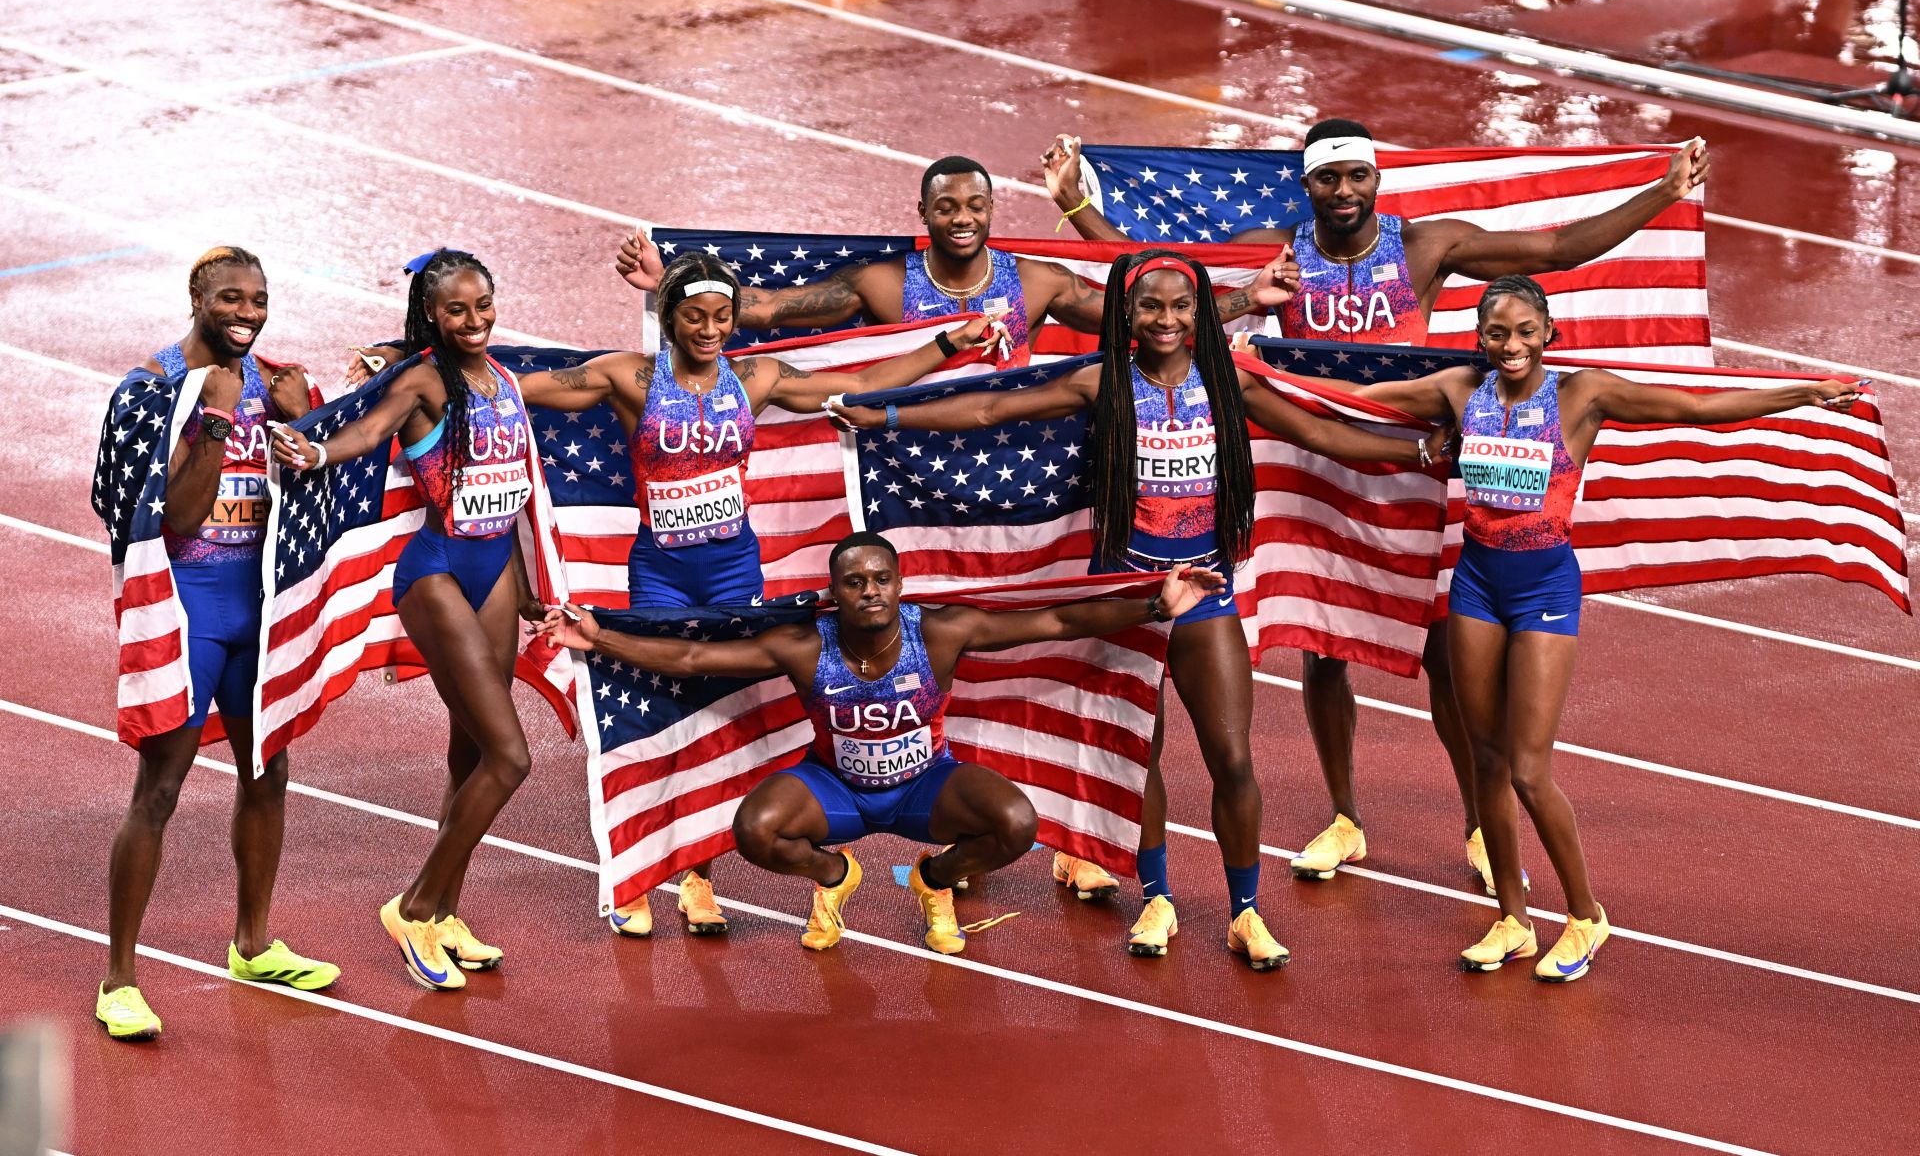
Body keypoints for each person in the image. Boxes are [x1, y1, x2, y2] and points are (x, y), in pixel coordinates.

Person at [1043, 120, 1711, 896]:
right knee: (1324, 647)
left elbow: (1553, 251)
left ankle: (1478, 824)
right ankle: (1346, 816)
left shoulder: (1425, 247)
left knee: (1440, 658)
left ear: (1376, 179)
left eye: (1358, 175)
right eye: (1330, 179)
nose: (1345, 191)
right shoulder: (1281, 248)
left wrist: (1660, 193)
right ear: (1308, 186)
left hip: (1411, 470)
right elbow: (1161, 283)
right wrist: (1077, 204)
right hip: (1316, 467)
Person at [827, 252, 1448, 968]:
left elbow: (1324, 435)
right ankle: (1156, 896)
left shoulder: (1229, 380)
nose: (1165, 319)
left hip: (1205, 594)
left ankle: (1246, 911)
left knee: (1232, 758)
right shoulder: (1104, 382)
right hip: (1127, 594)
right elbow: (992, 408)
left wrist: (1421, 454)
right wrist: (889, 414)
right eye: (1150, 306)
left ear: (1199, 312)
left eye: (1181, 306)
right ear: (1127, 311)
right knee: (1137, 750)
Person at [1311, 274, 1860, 980]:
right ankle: (1512, 917)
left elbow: (1697, 406)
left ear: (1550, 333)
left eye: (1524, 332)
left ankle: (1584, 915)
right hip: (1476, 581)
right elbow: (1339, 398)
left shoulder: (1582, 395)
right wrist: (1245, 374)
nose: (1510, 345)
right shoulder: (1457, 391)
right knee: (1486, 760)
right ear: (1479, 337)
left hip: (1543, 587)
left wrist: (1803, 391)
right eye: (1496, 333)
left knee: (1531, 770)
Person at [499, 251, 1001, 938]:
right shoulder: (631, 376)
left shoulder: (756, 376)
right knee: (652, 714)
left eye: (723, 317)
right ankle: (639, 872)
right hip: (661, 571)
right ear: (668, 318)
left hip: (734, 569)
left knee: (724, 717)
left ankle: (698, 876)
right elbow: (514, 386)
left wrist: (944, 342)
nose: (710, 330)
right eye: (696, 317)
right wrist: (412, 364)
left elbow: (858, 381)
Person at [537, 532, 1226, 955]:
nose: (870, 591)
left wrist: (1155, 607)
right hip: (836, 790)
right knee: (753, 829)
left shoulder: (941, 633)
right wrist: (599, 637)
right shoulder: (806, 644)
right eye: (855, 582)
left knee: (1017, 821)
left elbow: (1052, 618)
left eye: (881, 579)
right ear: (834, 592)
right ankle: (837, 877)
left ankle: (934, 881)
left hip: (925, 786)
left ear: (899, 585)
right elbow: (692, 663)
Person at [271, 249, 552, 992]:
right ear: (432, 313)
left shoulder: (506, 380)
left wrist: (526, 581)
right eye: (457, 309)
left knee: (470, 752)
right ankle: (414, 904)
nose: (474, 320)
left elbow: (516, 492)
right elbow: (369, 431)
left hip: (495, 569)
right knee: (511, 757)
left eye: (483, 305)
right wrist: (316, 448)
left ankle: (446, 912)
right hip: (436, 572)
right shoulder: (427, 377)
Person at [94, 247, 337, 1041]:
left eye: (259, 299)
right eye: (231, 298)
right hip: (188, 610)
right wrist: (219, 419)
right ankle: (119, 978)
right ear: (196, 297)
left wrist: (304, 426)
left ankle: (253, 942)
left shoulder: (278, 381)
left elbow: (318, 505)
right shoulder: (150, 389)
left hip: (255, 610)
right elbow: (174, 519)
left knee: (267, 772)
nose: (248, 312)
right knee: (159, 788)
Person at [611, 155, 1295, 373]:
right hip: (910, 455)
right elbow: (761, 309)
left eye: (975, 205)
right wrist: (669, 273)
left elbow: (1139, 319)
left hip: (1005, 448)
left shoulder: (1034, 282)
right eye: (947, 209)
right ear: (924, 214)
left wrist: (1250, 298)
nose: (963, 219)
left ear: (992, 210)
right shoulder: (882, 283)